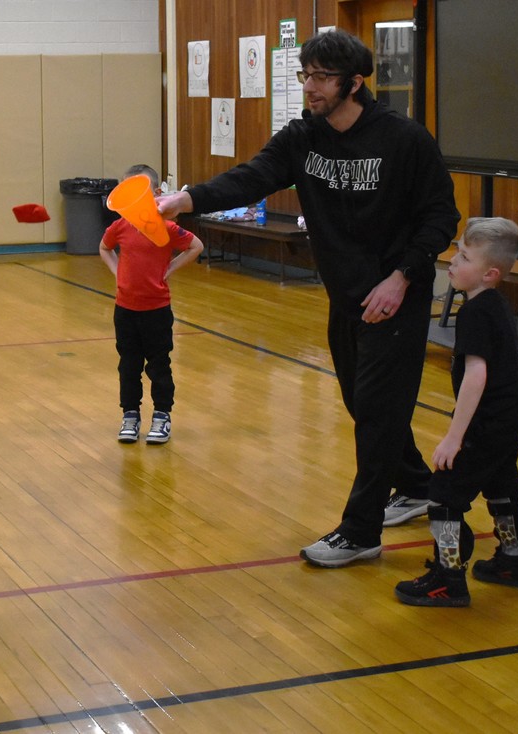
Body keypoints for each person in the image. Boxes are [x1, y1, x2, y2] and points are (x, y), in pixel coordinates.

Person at [158, 29, 461, 566]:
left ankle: (361, 531)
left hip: (396, 298)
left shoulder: (404, 140)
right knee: (364, 406)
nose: (310, 86)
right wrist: (187, 199)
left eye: (321, 77)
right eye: (306, 75)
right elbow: (252, 177)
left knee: (375, 416)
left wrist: (402, 278)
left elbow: (441, 217)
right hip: (345, 296)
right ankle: (416, 485)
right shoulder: (303, 137)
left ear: (355, 82)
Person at [395, 218, 518, 606]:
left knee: (444, 492)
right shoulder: (493, 303)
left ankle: (448, 579)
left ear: (490, 274)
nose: (453, 262)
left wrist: (454, 438)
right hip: (512, 409)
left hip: (491, 417)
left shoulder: (476, 312)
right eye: (456, 252)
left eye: (464, 257)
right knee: (500, 481)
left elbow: (477, 374)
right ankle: (515, 560)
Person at [100, 164, 204, 444]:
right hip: (125, 310)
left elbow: (196, 247)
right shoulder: (120, 226)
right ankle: (130, 416)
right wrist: (117, 272)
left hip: (156, 310)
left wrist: (170, 269)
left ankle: (161, 416)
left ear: (157, 193)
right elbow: (104, 247)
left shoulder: (167, 228)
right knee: (128, 365)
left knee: (159, 364)